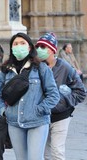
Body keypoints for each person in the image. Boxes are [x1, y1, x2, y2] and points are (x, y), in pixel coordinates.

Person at [0, 32, 60, 160]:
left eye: (22, 43)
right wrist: (4, 112)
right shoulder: (5, 70)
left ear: (29, 47)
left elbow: (53, 95)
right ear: (12, 48)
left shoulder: (41, 68)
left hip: (37, 122)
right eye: (15, 44)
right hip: (14, 122)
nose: (19, 46)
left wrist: (38, 110)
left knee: (35, 158)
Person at [35, 32, 86, 160]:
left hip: (61, 116)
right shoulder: (35, 68)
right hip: (42, 116)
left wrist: (61, 102)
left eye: (43, 47)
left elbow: (81, 92)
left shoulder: (65, 67)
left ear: (53, 50)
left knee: (57, 152)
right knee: (44, 153)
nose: (39, 50)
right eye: (38, 47)